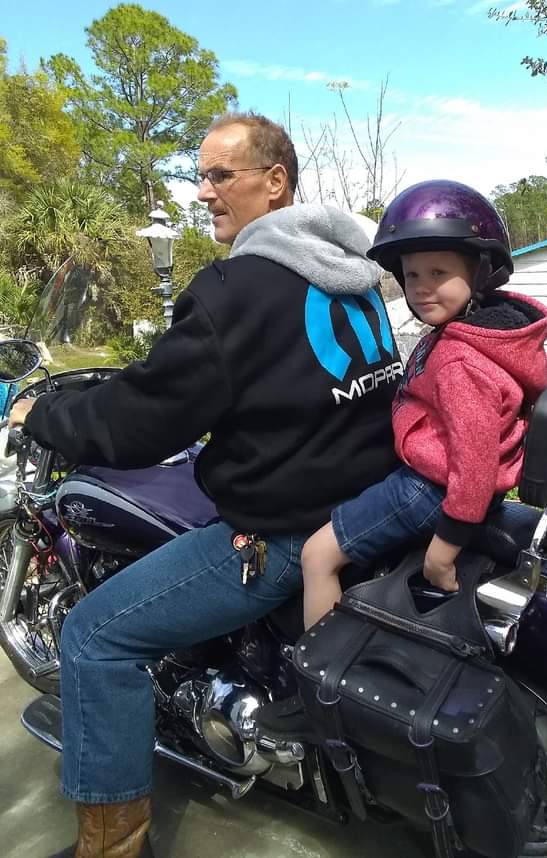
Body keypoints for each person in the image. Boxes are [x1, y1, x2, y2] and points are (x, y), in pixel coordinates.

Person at [9, 111, 400, 858]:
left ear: (275, 180)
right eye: (201, 176)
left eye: (220, 175)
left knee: (94, 637)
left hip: (283, 535)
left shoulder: (238, 289)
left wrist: (43, 413)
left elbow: (140, 426)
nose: (203, 192)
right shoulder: (354, 279)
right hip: (362, 511)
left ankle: (112, 849)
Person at [300, 179, 547, 629]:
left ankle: (318, 667)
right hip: (441, 486)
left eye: (438, 273)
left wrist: (443, 551)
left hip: (429, 493)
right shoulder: (486, 335)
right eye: (412, 275)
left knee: (317, 557)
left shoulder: (460, 360)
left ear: (479, 272)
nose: (421, 288)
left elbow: (473, 465)